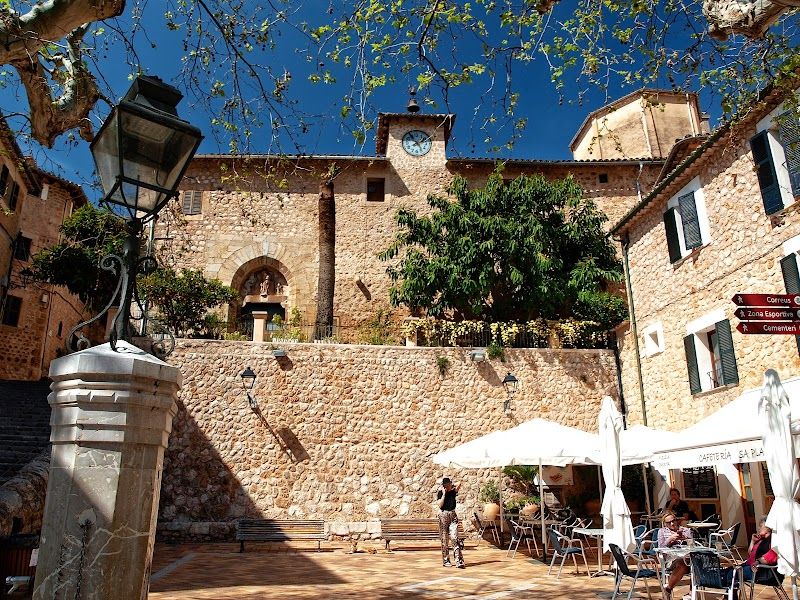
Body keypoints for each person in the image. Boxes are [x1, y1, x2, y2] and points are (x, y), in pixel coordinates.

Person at [722, 520, 777, 585]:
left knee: (732, 574)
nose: (758, 528)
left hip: (759, 571)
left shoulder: (772, 541)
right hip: (749, 565)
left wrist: (758, 562)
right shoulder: (761, 539)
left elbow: (770, 557)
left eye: (760, 526)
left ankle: (731, 590)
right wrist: (753, 541)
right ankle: (727, 587)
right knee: (726, 571)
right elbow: (750, 554)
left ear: (768, 528)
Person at [658, 512, 693, 600]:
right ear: (665, 524)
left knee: (697, 563)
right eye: (668, 522)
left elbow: (692, 545)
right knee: (682, 564)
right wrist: (669, 540)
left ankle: (692, 592)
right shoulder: (662, 532)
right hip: (671, 559)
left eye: (673, 521)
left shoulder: (686, 530)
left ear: (676, 520)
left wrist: (686, 539)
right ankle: (668, 589)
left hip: (687, 557)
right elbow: (660, 548)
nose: (672, 524)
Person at [436, 477, 464, 568]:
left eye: (448, 485)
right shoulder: (440, 493)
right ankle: (446, 560)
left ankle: (459, 561)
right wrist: (444, 494)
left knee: (454, 537)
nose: (447, 487)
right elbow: (440, 505)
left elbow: (459, 483)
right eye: (446, 485)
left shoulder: (453, 491)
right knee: (444, 539)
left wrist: (451, 485)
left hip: (452, 515)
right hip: (443, 515)